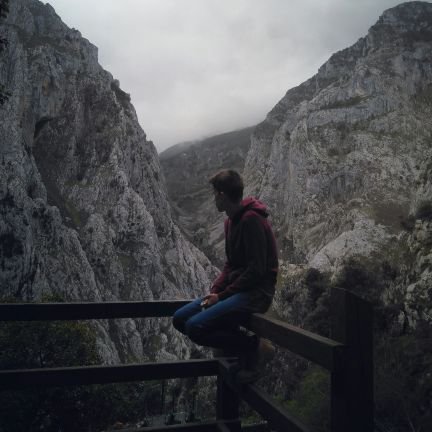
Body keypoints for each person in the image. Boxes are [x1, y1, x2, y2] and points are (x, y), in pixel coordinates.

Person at [172, 169, 278, 381]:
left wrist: (221, 297)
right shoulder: (230, 221)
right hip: (237, 291)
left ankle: (254, 347)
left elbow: (257, 270)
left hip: (257, 293)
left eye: (214, 194)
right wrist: (215, 290)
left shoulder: (251, 220)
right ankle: (241, 344)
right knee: (180, 319)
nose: (213, 200)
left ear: (222, 195)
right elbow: (231, 265)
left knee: (194, 326)